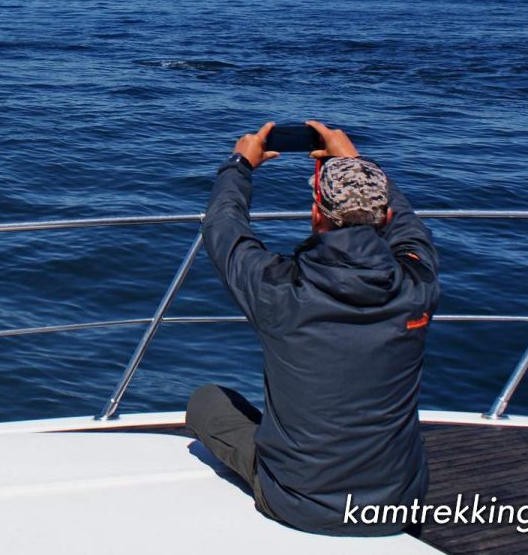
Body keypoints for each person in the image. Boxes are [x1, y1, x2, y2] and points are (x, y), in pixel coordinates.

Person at [186, 119, 440, 536]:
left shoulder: (279, 290)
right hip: (399, 502)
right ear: (387, 216)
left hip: (298, 502)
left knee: (207, 401)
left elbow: (224, 228)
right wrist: (353, 162)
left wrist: (239, 165)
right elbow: (411, 232)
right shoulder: (418, 284)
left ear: (315, 214)